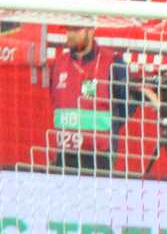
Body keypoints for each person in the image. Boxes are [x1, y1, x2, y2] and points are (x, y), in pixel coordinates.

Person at [47, 22, 130, 174]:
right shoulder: (59, 64)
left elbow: (126, 105)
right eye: (68, 30)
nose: (70, 35)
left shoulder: (113, 63)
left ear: (91, 30)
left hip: (99, 155)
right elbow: (55, 101)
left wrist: (110, 128)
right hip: (64, 153)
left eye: (76, 30)